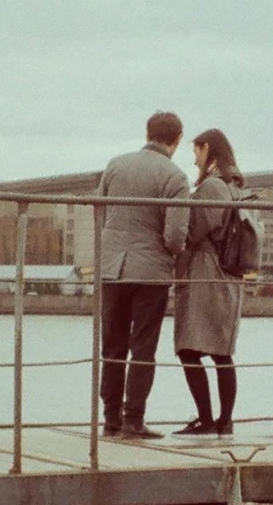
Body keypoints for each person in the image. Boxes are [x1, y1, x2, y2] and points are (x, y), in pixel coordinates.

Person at [96, 112, 190, 440]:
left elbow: (104, 211)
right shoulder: (175, 177)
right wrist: (172, 251)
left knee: (112, 345)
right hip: (150, 272)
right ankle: (133, 419)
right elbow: (176, 235)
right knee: (143, 347)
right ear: (176, 140)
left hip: (112, 267)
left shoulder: (115, 165)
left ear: (147, 133)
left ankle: (110, 419)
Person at [173, 126, 245, 436]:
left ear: (209, 152)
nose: (194, 160)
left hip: (208, 274)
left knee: (190, 349)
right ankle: (222, 421)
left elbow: (195, 230)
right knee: (220, 350)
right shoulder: (234, 186)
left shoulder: (213, 187)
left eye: (196, 152)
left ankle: (210, 419)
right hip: (225, 276)